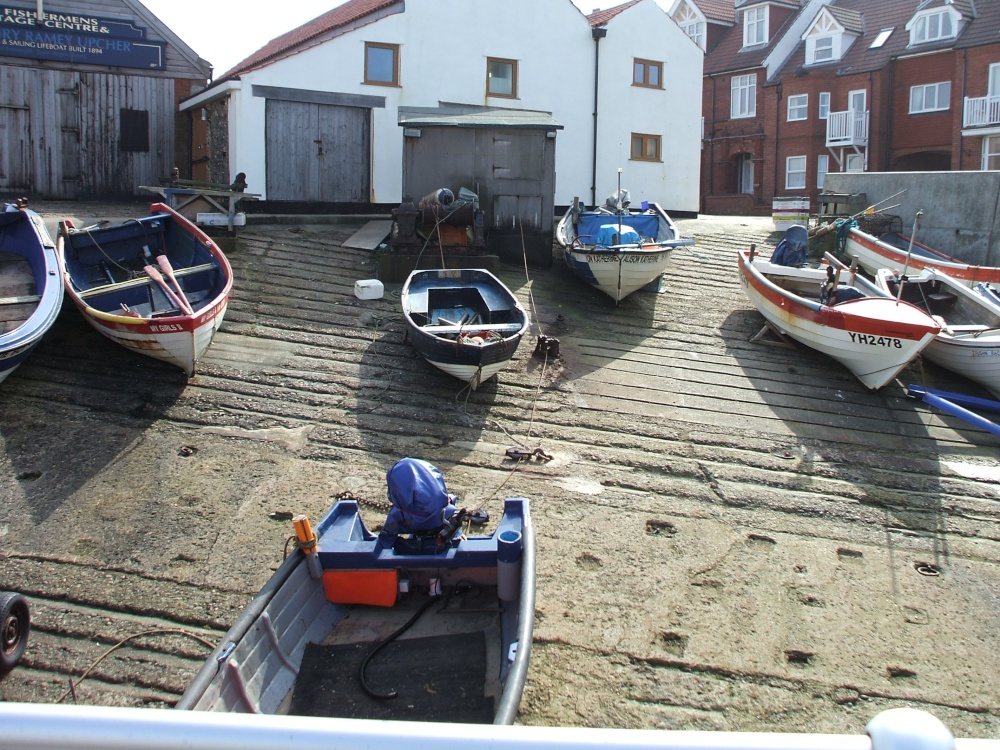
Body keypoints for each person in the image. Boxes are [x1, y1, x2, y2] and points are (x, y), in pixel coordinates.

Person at [377, 458, 460, 549]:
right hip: (441, 527)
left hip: (422, 533)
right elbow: (452, 510)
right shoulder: (444, 503)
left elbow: (385, 540)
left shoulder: (398, 515)